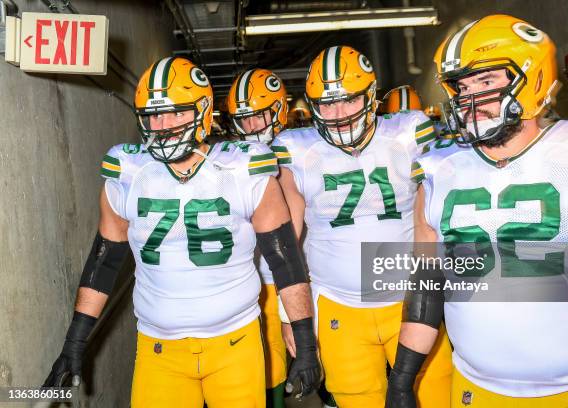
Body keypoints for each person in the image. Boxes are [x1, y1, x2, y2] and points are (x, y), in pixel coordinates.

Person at [43, 57, 321, 408]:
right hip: (160, 349)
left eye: (177, 113)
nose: (164, 125)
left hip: (235, 342)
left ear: (202, 112)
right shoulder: (129, 172)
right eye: (154, 115)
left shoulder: (242, 167)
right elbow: (104, 263)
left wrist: (304, 341)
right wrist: (75, 341)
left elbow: (285, 260)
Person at [386, 14, 568, 407]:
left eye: (486, 81)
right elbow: (426, 286)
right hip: (476, 389)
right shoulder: (438, 168)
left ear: (533, 78)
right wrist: (402, 378)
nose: (469, 99)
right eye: (461, 86)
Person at [273, 45, 452, 408]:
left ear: (371, 96)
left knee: (435, 397)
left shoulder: (408, 133)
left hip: (411, 300)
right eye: (325, 104)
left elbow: (435, 223)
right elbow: (285, 243)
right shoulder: (296, 149)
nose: (337, 114)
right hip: (339, 305)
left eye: (349, 101)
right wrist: (291, 316)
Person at [227, 68, 290, 407]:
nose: (251, 126)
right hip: (258, 275)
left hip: (304, 273)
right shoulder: (232, 158)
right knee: (269, 362)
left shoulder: (300, 150)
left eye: (257, 115)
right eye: (244, 118)